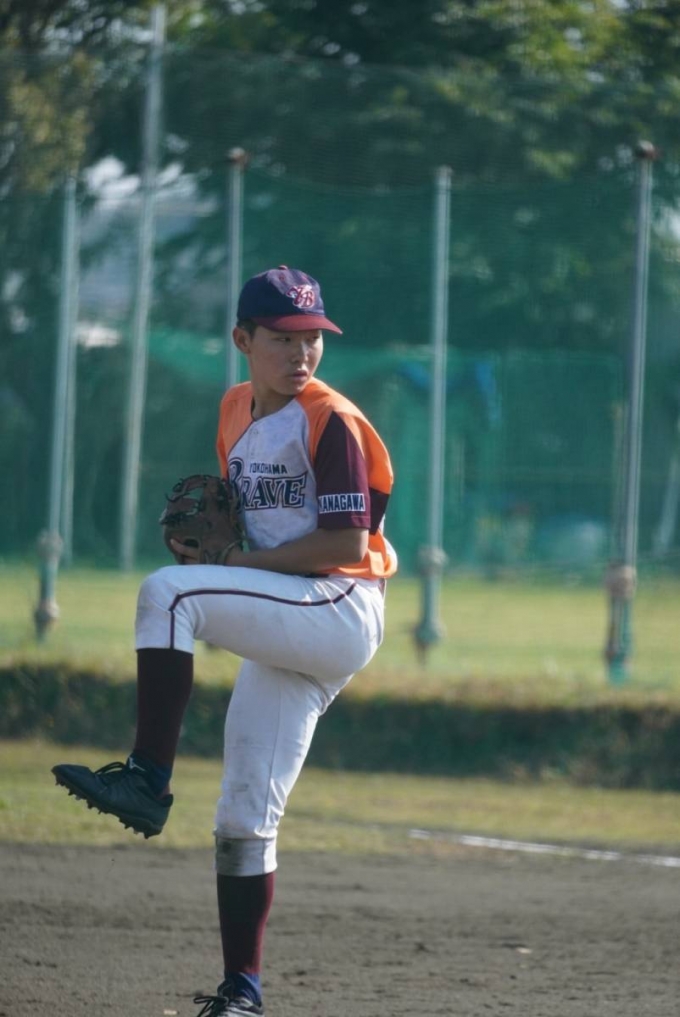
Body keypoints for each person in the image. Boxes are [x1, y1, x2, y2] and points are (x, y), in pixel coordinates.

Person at [52, 266, 397, 1017]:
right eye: (283, 337)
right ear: (243, 339)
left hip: (338, 604)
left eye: (312, 338)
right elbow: (243, 524)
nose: (301, 353)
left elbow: (344, 541)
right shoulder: (234, 409)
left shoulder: (330, 419)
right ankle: (243, 991)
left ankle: (146, 780)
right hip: (290, 617)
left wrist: (233, 567)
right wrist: (225, 556)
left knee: (168, 594)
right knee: (243, 818)